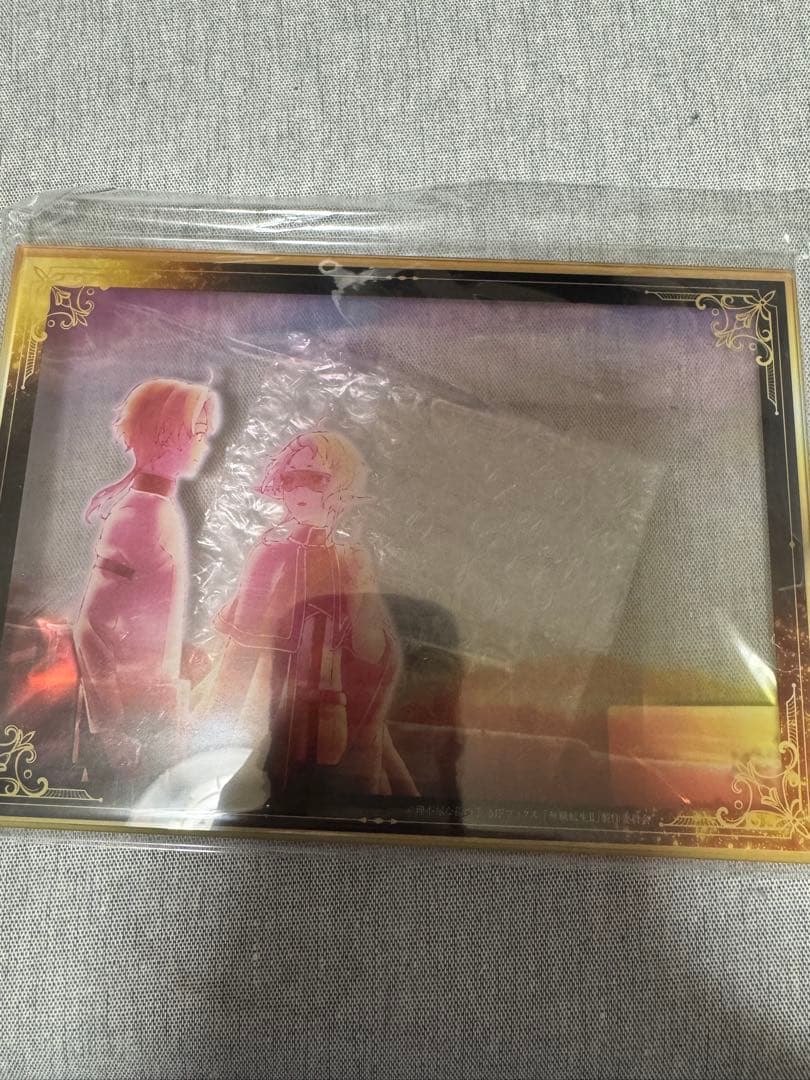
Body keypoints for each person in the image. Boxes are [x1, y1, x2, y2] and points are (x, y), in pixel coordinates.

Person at [208, 429, 417, 812]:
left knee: (374, 786)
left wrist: (359, 596)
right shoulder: (269, 555)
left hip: (337, 710)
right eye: (290, 478)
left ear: (341, 484)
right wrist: (213, 720)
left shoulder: (351, 558)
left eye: (315, 478)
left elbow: (373, 654)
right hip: (273, 712)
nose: (299, 488)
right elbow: (239, 650)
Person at [73, 378, 218, 798]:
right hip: (134, 730)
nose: (205, 446)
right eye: (197, 433)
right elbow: (89, 627)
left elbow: (147, 615)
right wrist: (112, 730)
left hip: (154, 718)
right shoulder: (141, 516)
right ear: (165, 437)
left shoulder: (159, 510)